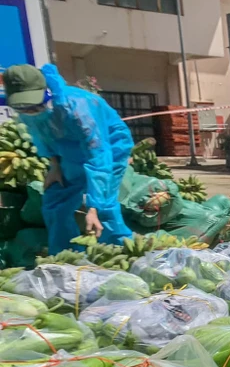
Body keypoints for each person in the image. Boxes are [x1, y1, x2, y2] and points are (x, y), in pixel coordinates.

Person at [2, 64, 132, 253]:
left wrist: (94, 208)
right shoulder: (28, 112)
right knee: (56, 201)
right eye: (23, 107)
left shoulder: (78, 107)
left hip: (108, 146)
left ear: (46, 91)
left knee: (103, 206)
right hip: (67, 151)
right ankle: (65, 255)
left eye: (35, 104)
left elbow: (98, 156)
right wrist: (55, 165)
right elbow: (41, 137)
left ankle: (121, 250)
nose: (30, 110)